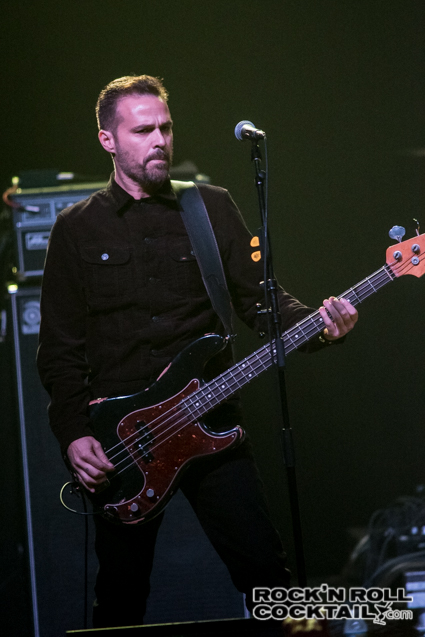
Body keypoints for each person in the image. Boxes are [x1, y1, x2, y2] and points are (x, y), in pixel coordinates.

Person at [37, 75, 358, 628]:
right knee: (120, 600)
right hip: (125, 441)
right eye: (143, 130)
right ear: (108, 140)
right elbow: (60, 349)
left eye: (165, 128)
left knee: (269, 579)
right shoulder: (76, 229)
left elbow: (261, 303)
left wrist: (323, 327)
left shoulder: (209, 207)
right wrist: (73, 433)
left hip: (211, 420)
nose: (160, 140)